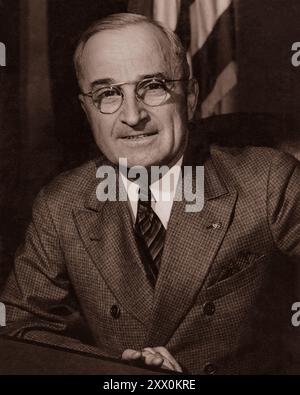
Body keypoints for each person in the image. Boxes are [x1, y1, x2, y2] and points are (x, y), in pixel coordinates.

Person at [1, 12, 300, 375]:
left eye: (153, 86)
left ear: (189, 97)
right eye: (107, 93)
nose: (132, 115)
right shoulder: (62, 203)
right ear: (86, 110)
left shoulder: (268, 181)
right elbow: (17, 326)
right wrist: (116, 370)